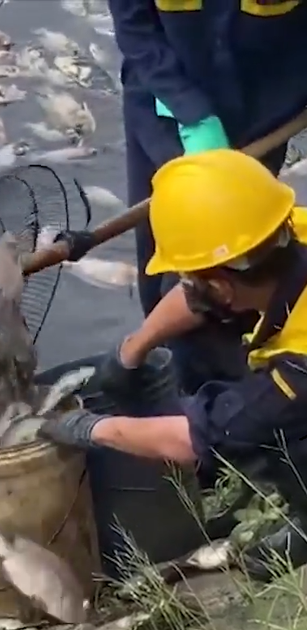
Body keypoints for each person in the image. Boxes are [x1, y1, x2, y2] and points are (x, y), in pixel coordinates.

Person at [43, 149, 307, 580]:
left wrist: (89, 428)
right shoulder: (284, 232)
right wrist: (133, 349)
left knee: (282, 437)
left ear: (221, 285)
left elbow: (196, 437)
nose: (186, 286)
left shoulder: (299, 372)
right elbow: (202, 290)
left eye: (192, 278)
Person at [107, 0, 307, 394]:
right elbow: (135, 27)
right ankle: (162, 367)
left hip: (264, 115)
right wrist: (191, 111)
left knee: (243, 265)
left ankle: (230, 407)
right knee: (164, 257)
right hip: (166, 113)